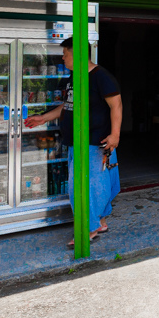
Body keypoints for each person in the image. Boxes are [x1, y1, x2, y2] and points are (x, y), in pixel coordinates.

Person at [25, 38, 122, 247]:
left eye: (65, 54)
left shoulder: (101, 77)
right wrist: (43, 118)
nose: (62, 57)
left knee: (82, 188)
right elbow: (67, 106)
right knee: (96, 186)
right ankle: (101, 222)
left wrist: (115, 135)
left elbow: (117, 105)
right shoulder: (74, 77)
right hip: (76, 141)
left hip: (94, 143)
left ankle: (87, 229)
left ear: (77, 54)